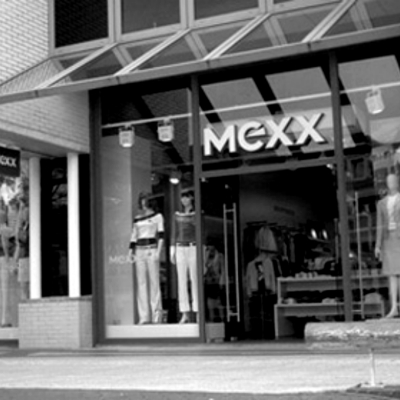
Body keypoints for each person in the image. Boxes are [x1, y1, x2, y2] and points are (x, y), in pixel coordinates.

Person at [128, 192, 164, 324]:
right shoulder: (137, 218)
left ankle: (157, 315)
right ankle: (143, 316)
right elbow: (134, 235)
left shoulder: (157, 216)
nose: (143, 203)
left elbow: (161, 235)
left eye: (145, 200)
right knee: (141, 283)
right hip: (139, 250)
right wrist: (130, 251)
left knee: (154, 282)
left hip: (151, 249)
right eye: (141, 200)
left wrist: (158, 252)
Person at [170, 190, 198, 324]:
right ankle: (185, 313)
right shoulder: (177, 215)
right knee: (181, 281)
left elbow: (201, 232)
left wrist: (202, 251)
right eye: (182, 197)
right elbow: (174, 232)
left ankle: (198, 311)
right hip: (180, 247)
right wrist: (172, 250)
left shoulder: (196, 214)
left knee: (195, 279)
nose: (184, 200)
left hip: (193, 246)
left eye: (186, 197)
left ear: (191, 198)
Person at [375, 173, 400, 318]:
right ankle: (394, 307)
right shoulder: (381, 203)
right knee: (392, 274)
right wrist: (378, 245)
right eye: (389, 182)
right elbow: (379, 225)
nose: (391, 184)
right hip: (388, 240)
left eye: (393, 181)